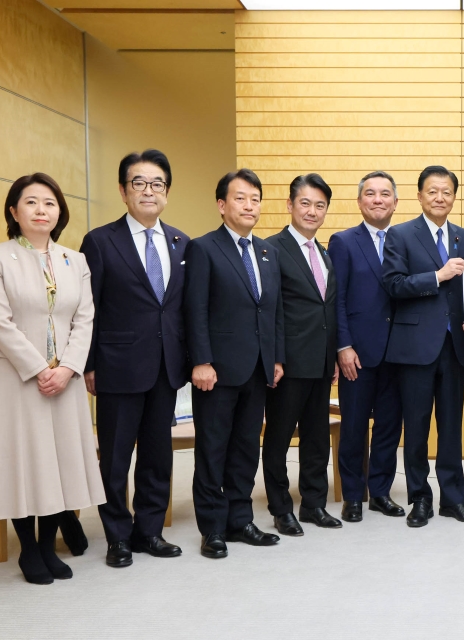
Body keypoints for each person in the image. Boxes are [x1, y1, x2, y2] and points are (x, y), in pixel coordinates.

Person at [0, 173, 105, 584]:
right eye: (31, 202)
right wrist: (39, 369)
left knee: (59, 460)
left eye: (49, 203)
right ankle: (28, 550)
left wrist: (67, 367)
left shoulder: (75, 261)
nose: (41, 210)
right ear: (14, 211)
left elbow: (85, 319)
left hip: (65, 376)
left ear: (59, 212)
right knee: (23, 459)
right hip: (18, 376)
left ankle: (48, 545)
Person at [80, 150, 188, 568]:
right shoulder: (100, 241)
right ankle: (118, 537)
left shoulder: (180, 241)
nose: (148, 191)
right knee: (115, 458)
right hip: (117, 365)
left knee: (158, 456)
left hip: (165, 365)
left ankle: (149, 532)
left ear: (167, 192)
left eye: (157, 183)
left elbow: (181, 308)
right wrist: (90, 364)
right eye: (139, 183)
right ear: (124, 191)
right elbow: (88, 308)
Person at [184, 169, 285, 558]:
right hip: (217, 370)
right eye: (240, 198)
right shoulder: (203, 248)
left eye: (255, 199)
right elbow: (195, 310)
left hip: (257, 368)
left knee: (245, 449)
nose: (249, 206)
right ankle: (212, 528)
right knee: (213, 450)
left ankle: (240, 520)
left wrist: (276, 358)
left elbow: (273, 311)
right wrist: (201, 361)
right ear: (222, 205)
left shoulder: (267, 252)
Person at [382, 165, 464, 528]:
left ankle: (454, 500)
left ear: (454, 197)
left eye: (447, 192)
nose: (440, 198)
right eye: (433, 191)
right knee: (417, 426)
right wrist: (438, 276)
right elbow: (393, 284)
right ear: (420, 195)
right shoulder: (400, 234)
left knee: (451, 427)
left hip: (455, 345)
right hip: (415, 347)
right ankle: (420, 498)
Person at [262, 174, 341, 536]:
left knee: (316, 438)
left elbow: (327, 308)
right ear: (290, 205)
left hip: (321, 362)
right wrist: (275, 357)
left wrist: (333, 356)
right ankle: (281, 508)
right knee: (278, 439)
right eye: (305, 203)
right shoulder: (271, 249)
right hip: (288, 364)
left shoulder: (323, 253)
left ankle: (313, 504)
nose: (312, 211)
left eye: (320, 205)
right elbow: (270, 310)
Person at [329, 171, 406, 523]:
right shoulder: (343, 242)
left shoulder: (406, 240)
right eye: (371, 194)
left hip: (399, 352)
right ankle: (353, 495)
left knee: (389, 427)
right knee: (354, 427)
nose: (378, 199)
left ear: (395, 202)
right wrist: (343, 345)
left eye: (385, 194)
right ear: (360, 201)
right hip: (357, 353)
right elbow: (337, 299)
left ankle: (380, 493)